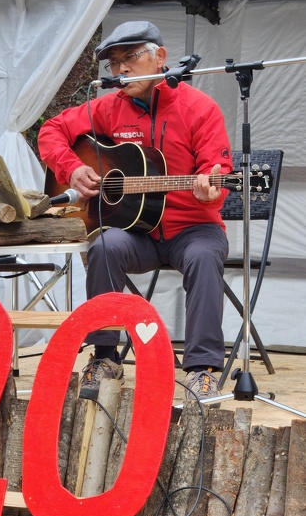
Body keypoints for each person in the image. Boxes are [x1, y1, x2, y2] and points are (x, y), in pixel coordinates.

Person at [38, 21, 232, 404]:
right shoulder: (109, 108)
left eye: (129, 58)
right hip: (137, 231)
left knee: (204, 256)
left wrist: (210, 192)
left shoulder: (199, 108)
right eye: (114, 63)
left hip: (192, 228)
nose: (121, 69)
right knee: (104, 246)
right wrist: (71, 168)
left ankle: (202, 370)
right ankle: (105, 357)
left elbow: (218, 172)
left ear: (160, 57)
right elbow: (51, 130)